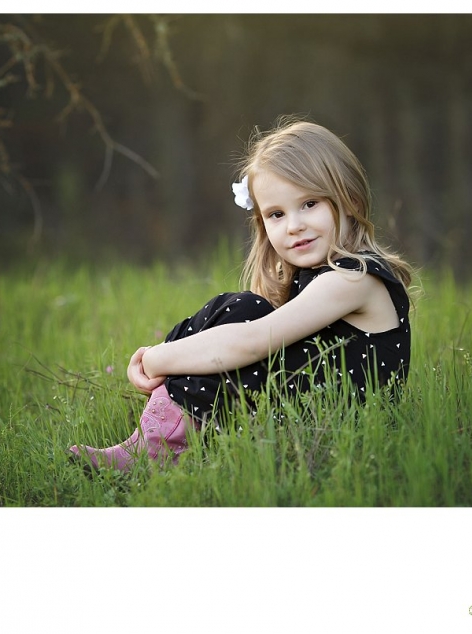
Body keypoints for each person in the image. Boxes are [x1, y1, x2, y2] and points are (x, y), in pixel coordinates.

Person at [69, 116, 414, 472]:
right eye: (277, 214)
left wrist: (156, 360)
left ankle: (154, 452)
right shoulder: (318, 277)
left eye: (310, 203)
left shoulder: (353, 279)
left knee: (245, 314)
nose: (294, 225)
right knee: (233, 309)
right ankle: (154, 442)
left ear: (349, 199)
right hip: (310, 420)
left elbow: (251, 342)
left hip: (343, 437)